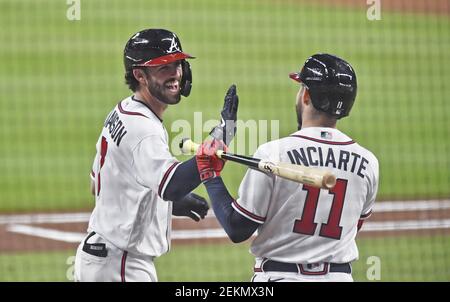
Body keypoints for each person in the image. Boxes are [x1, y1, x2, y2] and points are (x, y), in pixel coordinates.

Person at [74, 28, 238, 282]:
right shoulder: (144, 129)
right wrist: (221, 139)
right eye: (163, 68)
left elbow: (97, 182)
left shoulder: (122, 111)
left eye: (177, 65)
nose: (175, 74)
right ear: (139, 74)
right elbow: (171, 185)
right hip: (121, 265)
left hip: (103, 258)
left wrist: (164, 205)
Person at [197, 53, 379, 282]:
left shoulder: (274, 153)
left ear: (306, 96)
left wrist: (210, 175)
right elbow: (351, 227)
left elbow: (237, 228)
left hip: (280, 277)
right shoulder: (368, 162)